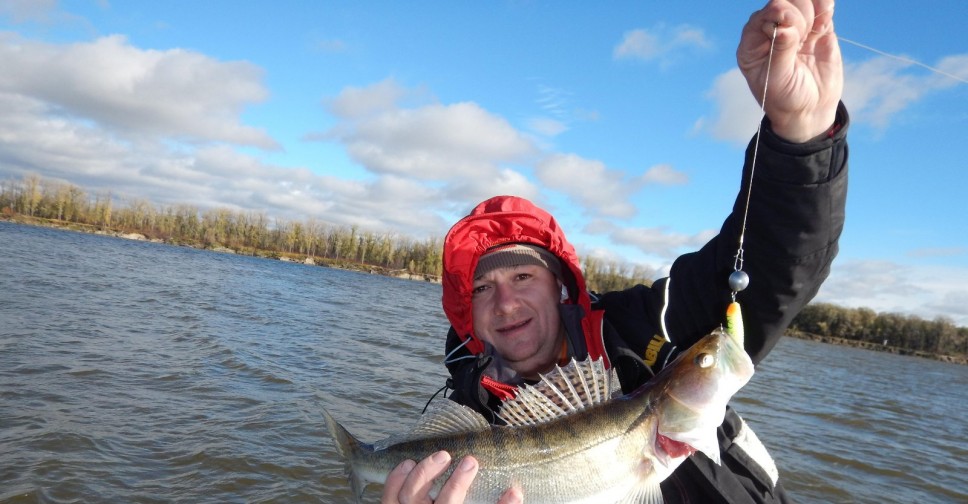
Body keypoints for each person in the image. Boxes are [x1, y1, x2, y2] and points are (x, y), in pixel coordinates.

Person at [382, 0, 847, 502]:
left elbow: (771, 264)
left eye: (523, 278)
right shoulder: (468, 418)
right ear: (466, 310)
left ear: (560, 285)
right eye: (481, 288)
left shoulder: (645, 327)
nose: (506, 303)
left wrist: (800, 129)